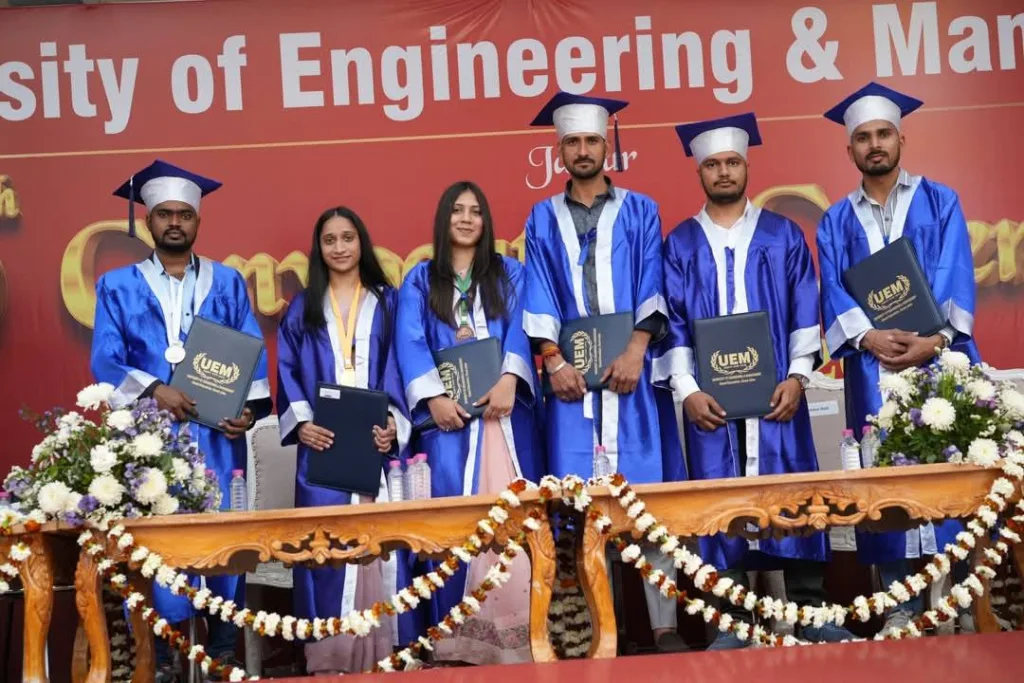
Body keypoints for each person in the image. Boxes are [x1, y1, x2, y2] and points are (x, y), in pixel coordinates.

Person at [654, 114, 855, 648]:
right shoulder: (680, 244)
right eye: (713, 165)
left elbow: (804, 310)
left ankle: (811, 613)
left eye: (732, 163)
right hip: (711, 403)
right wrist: (688, 391)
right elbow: (673, 323)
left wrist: (798, 377)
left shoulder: (782, 234)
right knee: (720, 498)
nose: (723, 172)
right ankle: (731, 624)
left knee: (791, 491)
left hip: (776, 396)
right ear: (700, 172)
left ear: (746, 167)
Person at [92, 160, 272, 679]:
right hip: (150, 443)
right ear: (148, 220)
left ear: (198, 220)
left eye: (184, 214)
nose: (175, 222)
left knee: (222, 536)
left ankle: (223, 650)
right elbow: (105, 359)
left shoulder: (228, 282)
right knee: (159, 542)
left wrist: (246, 412)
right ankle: (167, 655)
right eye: (165, 214)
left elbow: (251, 352)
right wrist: (155, 390)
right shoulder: (117, 286)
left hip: (217, 440)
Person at [522, 92, 687, 652]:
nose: (583, 150)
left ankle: (663, 626)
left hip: (631, 379)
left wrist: (638, 349)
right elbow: (538, 290)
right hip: (571, 386)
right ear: (559, 150)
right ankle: (601, 630)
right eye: (572, 142)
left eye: (592, 140)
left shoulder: (640, 210)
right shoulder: (542, 217)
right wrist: (552, 359)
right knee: (577, 506)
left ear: (606, 146)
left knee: (647, 500)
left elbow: (652, 281)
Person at [817, 82, 980, 632]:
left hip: (937, 362)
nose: (875, 144)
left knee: (947, 477)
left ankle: (959, 603)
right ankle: (899, 609)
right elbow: (833, 288)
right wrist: (866, 337)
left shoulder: (940, 201)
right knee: (884, 486)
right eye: (863, 137)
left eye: (883, 133)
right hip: (873, 369)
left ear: (901, 139)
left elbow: (954, 271)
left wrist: (935, 341)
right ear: (850, 150)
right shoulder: (835, 221)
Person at [395, 181, 543, 665]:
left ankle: (520, 640)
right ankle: (456, 644)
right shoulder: (421, 280)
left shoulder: (511, 273)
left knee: (513, 520)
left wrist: (510, 379)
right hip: (451, 429)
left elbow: (523, 326)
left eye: (475, 211)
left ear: (486, 221)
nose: (465, 219)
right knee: (457, 525)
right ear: (444, 219)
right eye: (456, 210)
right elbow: (409, 341)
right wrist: (434, 398)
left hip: (505, 421)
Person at [276, 207, 415, 675]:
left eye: (348, 237)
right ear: (319, 248)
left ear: (362, 242)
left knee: (384, 545)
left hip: (375, 444)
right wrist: (302, 424)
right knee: (327, 548)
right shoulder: (303, 307)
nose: (339, 247)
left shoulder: (388, 302)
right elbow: (287, 372)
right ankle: (331, 659)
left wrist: (394, 421)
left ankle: (390, 653)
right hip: (323, 445)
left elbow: (400, 363)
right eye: (330, 239)